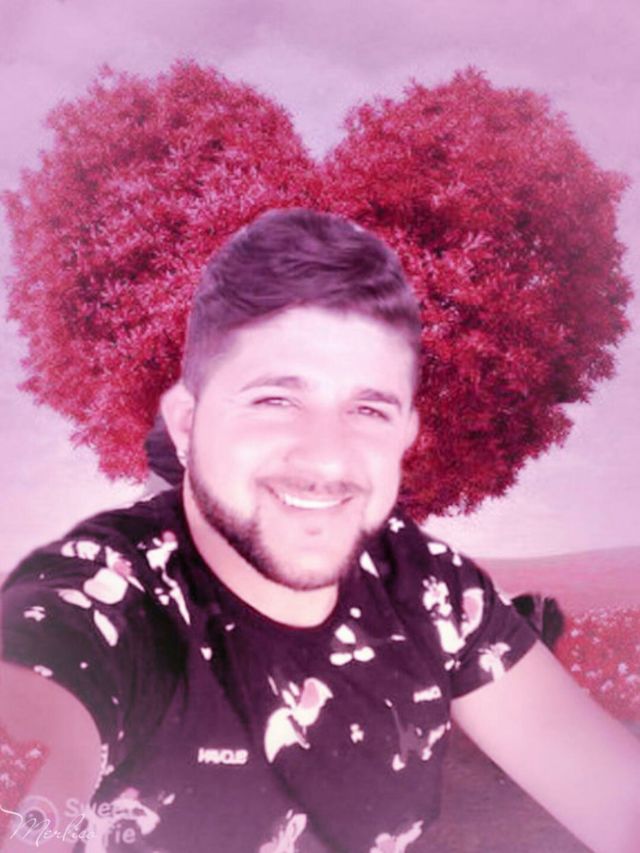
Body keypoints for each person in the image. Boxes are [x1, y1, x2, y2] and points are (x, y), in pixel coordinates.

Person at [0, 209, 638, 853]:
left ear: (406, 434)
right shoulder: (104, 605)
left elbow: (614, 793)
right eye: (275, 400)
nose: (327, 459)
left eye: (368, 409)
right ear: (187, 425)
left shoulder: (430, 590)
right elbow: (34, 741)